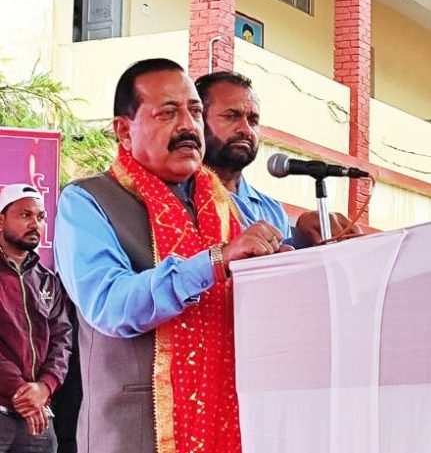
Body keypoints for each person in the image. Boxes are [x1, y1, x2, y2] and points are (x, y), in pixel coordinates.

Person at [54, 58, 289, 453]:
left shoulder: (230, 209)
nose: (187, 126)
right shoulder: (87, 201)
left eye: (195, 111)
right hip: (136, 434)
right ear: (123, 131)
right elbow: (110, 305)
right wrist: (215, 261)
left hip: (230, 427)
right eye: (167, 112)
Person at [195, 71, 360, 245]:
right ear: (198, 121)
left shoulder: (272, 210)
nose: (245, 129)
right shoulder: (179, 197)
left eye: (253, 120)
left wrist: (306, 239)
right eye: (231, 116)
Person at [0, 183, 72, 453]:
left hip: (38, 419)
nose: (35, 224)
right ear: (1, 219)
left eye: (41, 217)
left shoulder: (47, 280)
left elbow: (62, 341)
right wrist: (22, 392)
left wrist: (45, 387)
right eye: (25, 215)